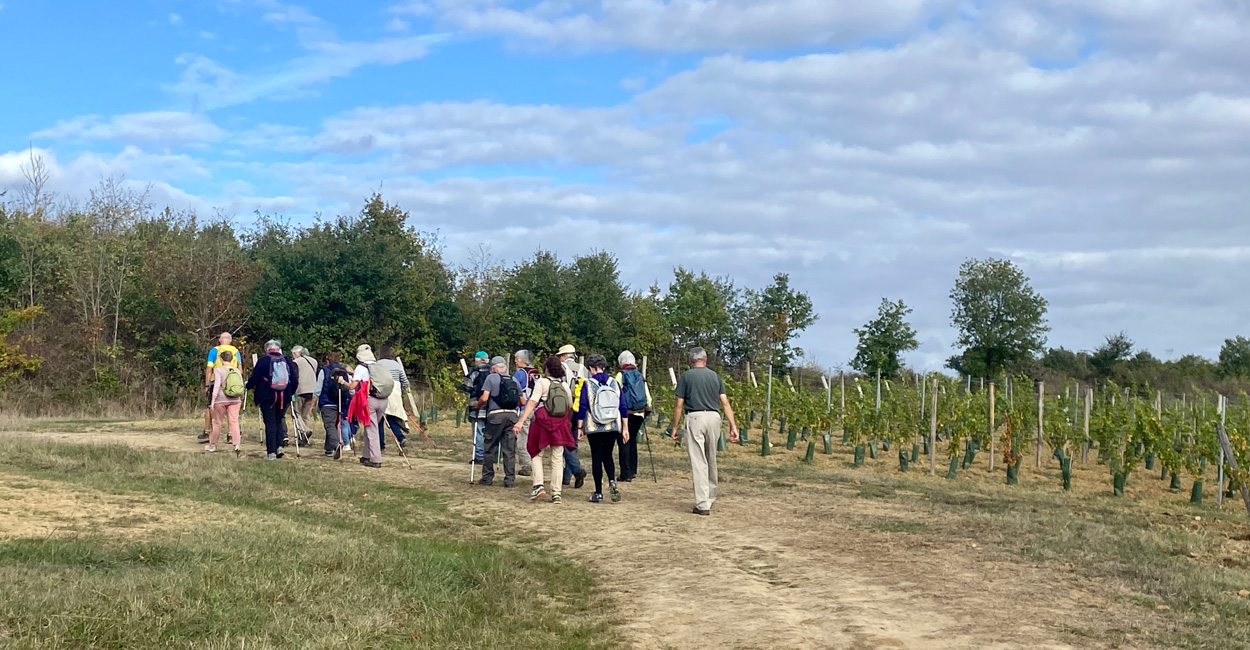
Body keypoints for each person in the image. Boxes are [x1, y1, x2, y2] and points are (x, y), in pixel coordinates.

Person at [668, 347, 739, 515]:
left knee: (699, 461)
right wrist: (733, 425)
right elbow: (725, 402)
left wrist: (675, 427)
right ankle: (711, 495)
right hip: (714, 417)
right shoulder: (715, 376)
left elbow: (679, 403)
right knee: (710, 457)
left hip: (695, 417)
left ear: (691, 361)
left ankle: (702, 504)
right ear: (705, 360)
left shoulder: (686, 376)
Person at [513, 356, 576, 504]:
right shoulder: (565, 386)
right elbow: (570, 406)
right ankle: (556, 493)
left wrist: (521, 421)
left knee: (536, 452)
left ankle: (538, 485)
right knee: (557, 458)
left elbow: (532, 402)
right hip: (560, 423)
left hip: (542, 422)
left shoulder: (542, 382)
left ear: (546, 368)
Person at [576, 353, 628, 503]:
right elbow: (622, 406)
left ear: (591, 368)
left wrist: (580, 427)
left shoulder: (587, 384)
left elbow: (582, 406)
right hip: (612, 425)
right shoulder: (614, 383)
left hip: (594, 426)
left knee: (597, 458)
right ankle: (612, 481)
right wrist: (625, 428)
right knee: (608, 455)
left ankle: (598, 492)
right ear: (604, 367)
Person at [245, 339, 298, 460]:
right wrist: (290, 393)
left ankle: (271, 452)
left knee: (270, 423)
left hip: (267, 396)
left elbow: (255, 378)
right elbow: (294, 380)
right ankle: (279, 446)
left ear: (267, 349)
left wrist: (248, 386)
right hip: (284, 397)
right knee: (279, 420)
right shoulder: (287, 360)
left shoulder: (263, 361)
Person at [476, 356, 523, 487]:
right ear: (505, 368)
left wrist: (477, 405)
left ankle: (487, 477)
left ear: (493, 368)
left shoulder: (491, 378)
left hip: (495, 416)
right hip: (512, 416)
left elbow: (484, 398)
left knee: (490, 447)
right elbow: (522, 401)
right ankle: (509, 480)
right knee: (509, 450)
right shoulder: (513, 379)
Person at [342, 344, 388, 468]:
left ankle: (375, 459)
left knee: (371, 430)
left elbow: (352, 386)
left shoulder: (361, 368)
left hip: (370, 400)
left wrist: (342, 381)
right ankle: (367, 455)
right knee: (371, 428)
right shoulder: (378, 365)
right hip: (383, 399)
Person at [614, 350, 651, 482]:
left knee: (623, 441)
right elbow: (648, 397)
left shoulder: (621, 375)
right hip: (640, 413)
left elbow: (615, 393)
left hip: (625, 413)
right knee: (633, 439)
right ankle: (633, 470)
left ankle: (626, 473)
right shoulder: (640, 375)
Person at [556, 344, 588, 488]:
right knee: (573, 441)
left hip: (566, 409)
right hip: (580, 410)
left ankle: (576, 470)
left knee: (564, 441)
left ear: (563, 356)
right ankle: (566, 476)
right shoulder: (583, 368)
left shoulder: (561, 368)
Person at [199, 331, 240, 443]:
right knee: (231, 411)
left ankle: (207, 432)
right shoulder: (236, 351)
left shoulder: (214, 351)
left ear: (220, 340)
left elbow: (209, 369)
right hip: (232, 383)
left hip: (216, 382)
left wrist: (207, 384)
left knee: (210, 407)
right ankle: (230, 435)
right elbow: (240, 368)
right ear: (230, 341)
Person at [318, 351, 354, 458]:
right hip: (340, 402)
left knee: (329, 425)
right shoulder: (343, 372)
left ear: (327, 360)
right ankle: (329, 449)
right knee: (334, 425)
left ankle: (336, 445)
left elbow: (318, 388)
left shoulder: (324, 371)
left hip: (327, 402)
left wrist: (314, 401)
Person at [207, 349, 243, 453]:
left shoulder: (218, 370)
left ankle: (212, 445)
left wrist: (213, 401)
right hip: (236, 399)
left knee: (217, 422)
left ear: (221, 359)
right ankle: (236, 444)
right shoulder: (237, 370)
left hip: (221, 399)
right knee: (234, 421)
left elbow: (217, 385)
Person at [375, 346, 410, 452]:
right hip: (395, 393)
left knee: (379, 419)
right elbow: (405, 382)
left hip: (383, 391)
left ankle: (380, 445)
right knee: (391, 418)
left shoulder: (378, 364)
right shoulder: (396, 364)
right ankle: (401, 438)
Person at [513, 349, 538, 476]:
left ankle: (526, 465)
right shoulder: (536, 373)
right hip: (537, 409)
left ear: (523, 360)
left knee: (522, 438)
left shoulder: (520, 374)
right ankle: (535, 462)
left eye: (517, 358)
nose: (515, 361)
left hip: (524, 409)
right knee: (532, 437)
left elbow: (513, 389)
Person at [463, 351, 491, 464]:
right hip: (492, 408)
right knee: (489, 432)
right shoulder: (493, 371)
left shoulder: (474, 372)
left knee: (478, 432)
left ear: (477, 360)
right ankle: (490, 455)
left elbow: (466, 388)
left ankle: (479, 456)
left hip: (477, 407)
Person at [291, 346, 319, 445]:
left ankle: (305, 430)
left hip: (300, 390)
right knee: (306, 415)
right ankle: (304, 439)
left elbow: (294, 376)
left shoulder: (297, 362)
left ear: (296, 354)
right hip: (312, 390)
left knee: (296, 412)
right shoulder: (314, 361)